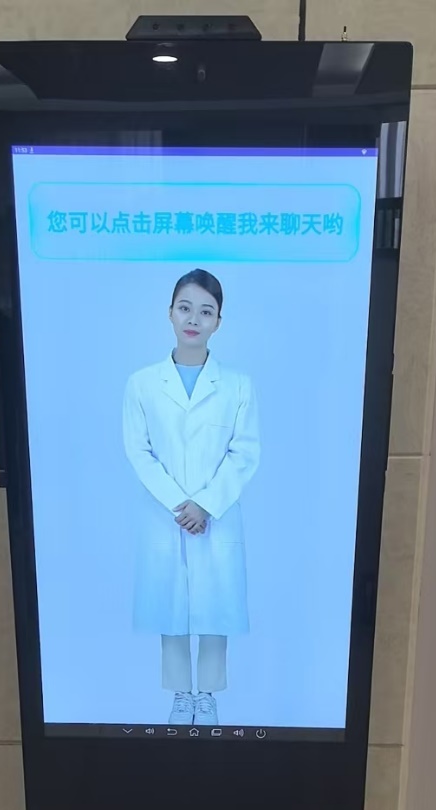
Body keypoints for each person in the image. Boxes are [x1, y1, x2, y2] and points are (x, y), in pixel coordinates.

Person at [123, 269, 259, 726]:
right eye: (185, 308)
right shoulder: (142, 384)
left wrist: (206, 505)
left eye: (206, 311)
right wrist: (180, 505)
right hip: (165, 516)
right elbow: (138, 451)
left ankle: (210, 695)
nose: (194, 319)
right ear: (170, 313)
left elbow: (244, 453)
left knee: (216, 610)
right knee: (172, 609)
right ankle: (182, 694)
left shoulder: (237, 385)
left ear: (218, 321)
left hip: (216, 514)